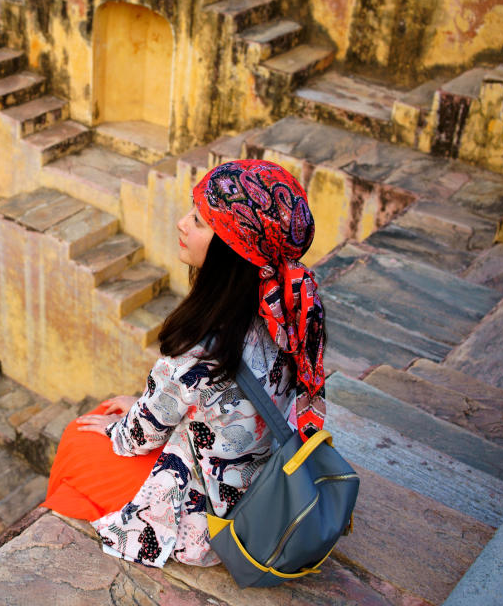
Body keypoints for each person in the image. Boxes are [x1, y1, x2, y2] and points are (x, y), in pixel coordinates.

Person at [42, 159, 327, 568]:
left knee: (79, 437)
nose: (181, 223)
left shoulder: (205, 342)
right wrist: (142, 402)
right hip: (264, 478)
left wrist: (118, 425)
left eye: (198, 221)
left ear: (231, 250)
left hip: (213, 520)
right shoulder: (288, 313)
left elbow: (136, 437)